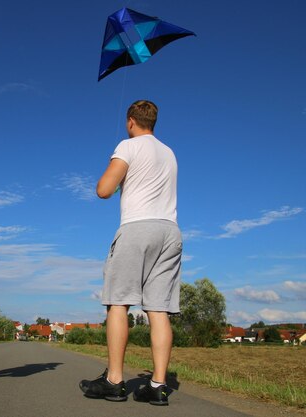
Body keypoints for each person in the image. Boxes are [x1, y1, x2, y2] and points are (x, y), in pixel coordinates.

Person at [79, 100, 183, 406]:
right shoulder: (169, 152)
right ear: (154, 121)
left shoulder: (128, 146)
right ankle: (158, 386)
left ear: (130, 122)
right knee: (158, 310)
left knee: (118, 303)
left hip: (138, 229)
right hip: (171, 232)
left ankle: (114, 381)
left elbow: (104, 189)